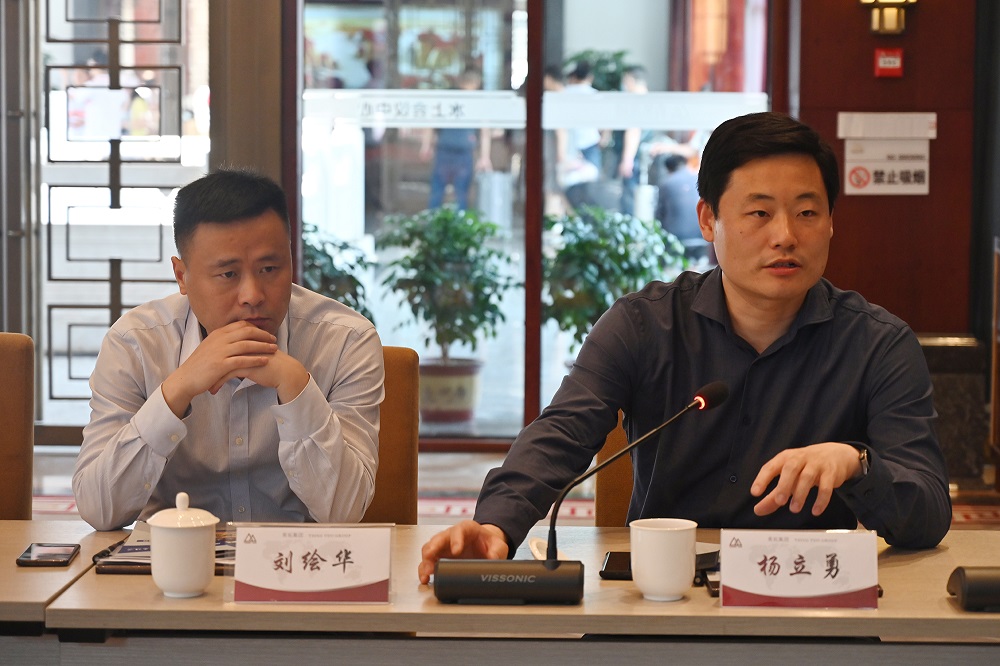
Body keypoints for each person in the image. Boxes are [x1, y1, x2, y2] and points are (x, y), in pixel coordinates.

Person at [418, 111, 951, 582]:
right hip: (663, 599)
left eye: (807, 213)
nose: (786, 236)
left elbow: (927, 514)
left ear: (831, 223)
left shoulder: (878, 345)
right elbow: (561, 433)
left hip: (807, 601)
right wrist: (495, 525)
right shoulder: (644, 325)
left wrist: (856, 462)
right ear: (708, 219)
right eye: (759, 213)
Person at [74, 168, 384, 531]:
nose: (252, 295)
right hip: (174, 559)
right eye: (228, 274)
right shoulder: (136, 344)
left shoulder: (346, 341)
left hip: (294, 559)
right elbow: (99, 509)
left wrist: (295, 384)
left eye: (269, 268)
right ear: (182, 276)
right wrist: (177, 390)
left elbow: (344, 510)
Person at [421, 68, 492, 210]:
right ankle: (437, 219)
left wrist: (484, 157)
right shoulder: (450, 99)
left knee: (458, 194)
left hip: (460, 152)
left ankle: (452, 220)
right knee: (443, 192)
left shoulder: (476, 102)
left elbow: (485, 131)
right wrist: (426, 145)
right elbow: (431, 123)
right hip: (447, 150)